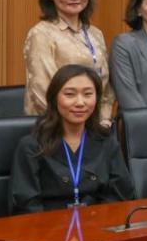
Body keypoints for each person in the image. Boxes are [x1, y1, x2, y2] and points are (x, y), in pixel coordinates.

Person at [9, 64, 134, 214]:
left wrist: (96, 221)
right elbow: (26, 205)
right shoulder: (32, 146)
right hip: (48, 225)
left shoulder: (106, 141)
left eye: (88, 94)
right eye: (70, 94)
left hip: (98, 224)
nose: (80, 102)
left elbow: (121, 195)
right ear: (54, 98)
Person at [23, 0, 116, 128]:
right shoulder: (41, 34)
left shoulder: (95, 33)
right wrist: (77, 124)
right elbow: (43, 89)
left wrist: (103, 119)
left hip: (97, 125)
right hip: (55, 127)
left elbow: (105, 85)